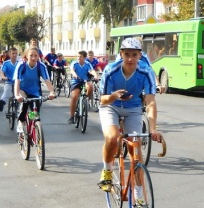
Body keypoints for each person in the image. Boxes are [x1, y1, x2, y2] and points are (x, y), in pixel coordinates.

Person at [97, 38, 162, 199]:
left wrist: (153, 128)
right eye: (127, 54)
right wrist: (113, 96)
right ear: (121, 54)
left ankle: (139, 198)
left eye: (134, 54)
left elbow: (151, 102)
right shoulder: (111, 70)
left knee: (137, 153)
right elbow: (102, 99)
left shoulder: (145, 72)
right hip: (111, 106)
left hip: (133, 109)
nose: (130, 58)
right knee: (112, 138)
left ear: (140, 55)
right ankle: (107, 171)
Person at [14, 47, 56, 132]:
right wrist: (17, 95)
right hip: (23, 90)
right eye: (31, 55)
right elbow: (17, 82)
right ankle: (21, 122)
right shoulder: (21, 65)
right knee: (25, 104)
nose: (33, 58)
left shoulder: (41, 66)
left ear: (38, 57)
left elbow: (47, 80)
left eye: (35, 56)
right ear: (26, 56)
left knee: (35, 112)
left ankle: (34, 128)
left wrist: (52, 92)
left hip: (35, 91)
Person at [68, 50, 98, 124]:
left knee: (90, 86)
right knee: (74, 97)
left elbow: (91, 71)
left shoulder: (87, 64)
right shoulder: (74, 63)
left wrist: (95, 76)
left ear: (84, 58)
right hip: (76, 81)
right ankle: (72, 117)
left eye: (80, 57)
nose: (78, 58)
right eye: (78, 56)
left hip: (85, 81)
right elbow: (72, 70)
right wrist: (75, 75)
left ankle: (86, 99)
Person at [0, 48, 19, 112]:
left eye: (16, 53)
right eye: (13, 53)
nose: (15, 55)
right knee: (7, 90)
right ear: (9, 54)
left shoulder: (19, 63)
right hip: (9, 81)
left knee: (19, 94)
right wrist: (3, 77)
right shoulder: (6, 63)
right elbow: (2, 72)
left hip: (17, 82)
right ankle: (2, 102)